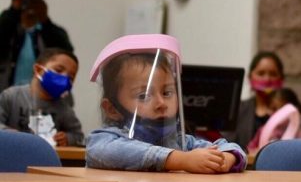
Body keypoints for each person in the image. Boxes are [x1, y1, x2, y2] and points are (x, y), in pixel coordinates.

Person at [85, 34, 246, 173]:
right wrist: (181, 160)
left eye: (167, 93)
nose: (161, 103)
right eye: (144, 95)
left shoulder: (180, 142)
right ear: (112, 109)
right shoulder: (104, 140)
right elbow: (109, 151)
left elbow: (229, 146)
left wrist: (226, 158)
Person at [0, 0, 73, 89]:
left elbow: (66, 60)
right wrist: (14, 9)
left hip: (45, 104)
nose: (29, 4)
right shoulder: (8, 30)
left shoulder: (52, 33)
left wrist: (45, 21)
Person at [0, 47, 84, 146]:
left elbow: (78, 135)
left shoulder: (64, 107)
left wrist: (67, 138)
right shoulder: (11, 96)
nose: (64, 78)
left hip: (44, 159)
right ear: (38, 69)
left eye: (70, 77)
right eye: (59, 70)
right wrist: (9, 134)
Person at [232, 51, 285, 152]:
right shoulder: (237, 110)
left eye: (273, 74)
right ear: (250, 78)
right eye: (261, 73)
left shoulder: (292, 112)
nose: (267, 79)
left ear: (282, 79)